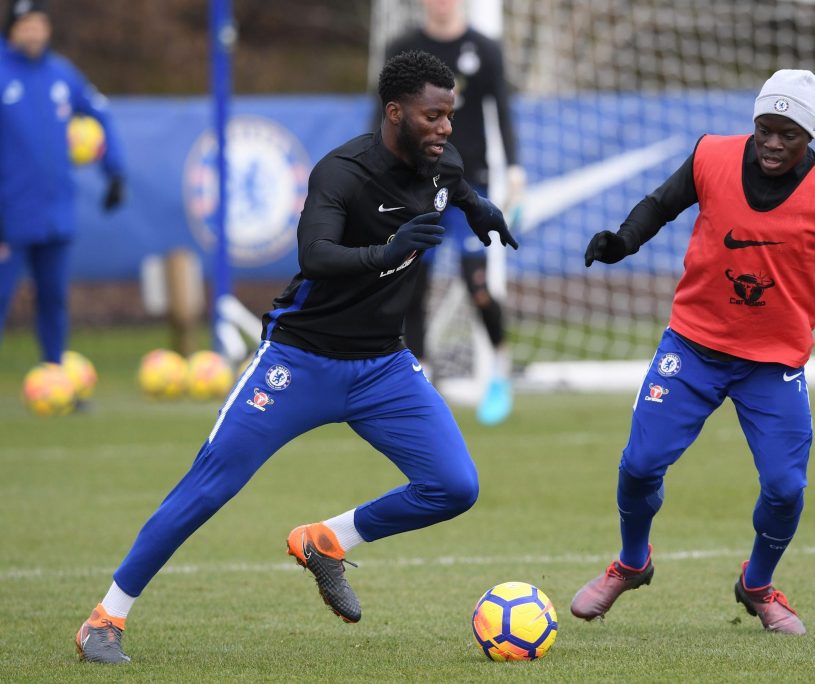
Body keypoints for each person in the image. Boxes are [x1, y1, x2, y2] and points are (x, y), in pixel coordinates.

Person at [74, 50, 517, 664]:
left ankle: (326, 540)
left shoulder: (444, 163)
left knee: (453, 486)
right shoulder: (342, 173)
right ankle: (104, 620)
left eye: (450, 114)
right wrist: (391, 250)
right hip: (298, 362)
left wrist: (478, 205)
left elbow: (454, 184)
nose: (445, 128)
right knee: (210, 485)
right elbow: (316, 257)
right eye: (432, 116)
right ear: (394, 113)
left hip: (383, 368)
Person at [569, 69, 815, 635]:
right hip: (692, 348)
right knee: (639, 465)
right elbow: (659, 204)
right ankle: (632, 563)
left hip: (773, 365)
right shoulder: (711, 156)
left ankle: (757, 585)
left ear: (810, 136)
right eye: (765, 128)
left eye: (788, 133)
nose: (773, 143)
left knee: (786, 489)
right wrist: (622, 241)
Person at [382, 0, 524, 426]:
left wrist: (515, 168)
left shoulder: (484, 48)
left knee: (476, 278)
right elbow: (385, 115)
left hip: (467, 185)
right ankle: (420, 380)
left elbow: (500, 109)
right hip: (414, 183)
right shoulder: (402, 48)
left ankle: (499, 371)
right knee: (412, 279)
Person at [0, 0, 125, 364]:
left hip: (56, 211)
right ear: (12, 29)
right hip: (9, 214)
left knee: (54, 298)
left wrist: (114, 171)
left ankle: (54, 373)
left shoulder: (62, 74)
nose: (34, 31)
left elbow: (100, 114)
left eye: (40, 23)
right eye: (26, 24)